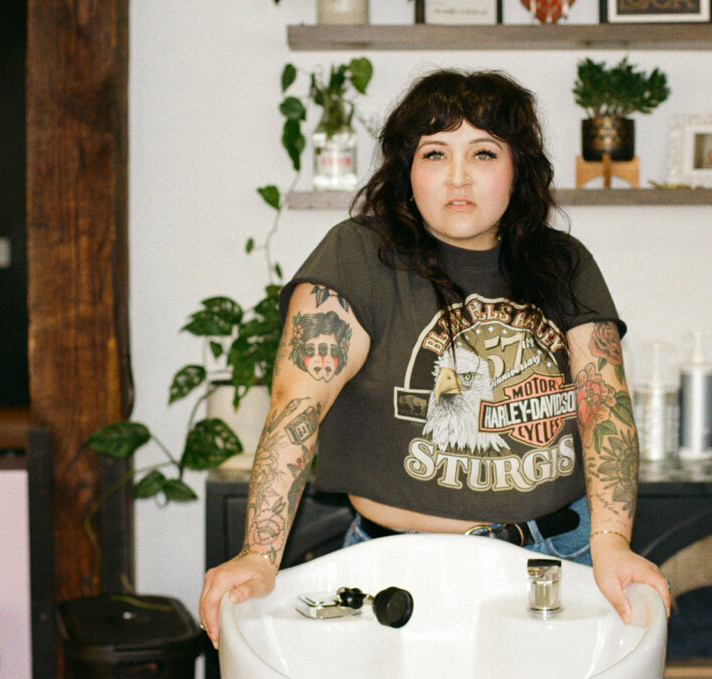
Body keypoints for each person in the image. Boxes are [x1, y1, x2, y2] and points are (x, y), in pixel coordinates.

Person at [198, 69, 671, 647]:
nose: (458, 177)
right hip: (400, 571)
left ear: (518, 167)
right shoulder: (357, 256)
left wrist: (614, 544)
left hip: (560, 561)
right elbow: (296, 408)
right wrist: (258, 554)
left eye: (484, 152)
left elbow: (605, 411)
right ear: (407, 169)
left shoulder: (564, 262)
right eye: (434, 153)